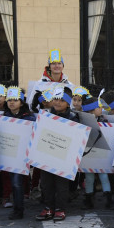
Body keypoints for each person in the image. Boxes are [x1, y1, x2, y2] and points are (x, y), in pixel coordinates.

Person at [35, 87, 78, 221]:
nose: (57, 102)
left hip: (64, 157)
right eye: (55, 99)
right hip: (47, 155)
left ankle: (60, 208)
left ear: (68, 102)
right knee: (46, 183)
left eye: (61, 100)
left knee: (61, 184)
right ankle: (48, 207)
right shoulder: (46, 115)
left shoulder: (73, 117)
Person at [2, 87, 36, 219]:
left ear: (21, 102)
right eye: (9, 100)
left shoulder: (29, 117)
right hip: (10, 154)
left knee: (17, 182)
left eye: (15, 100)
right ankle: (17, 205)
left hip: (22, 155)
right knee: (14, 181)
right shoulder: (4, 116)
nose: (12, 102)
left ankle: (19, 209)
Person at [81, 93, 114, 210]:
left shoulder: (104, 121)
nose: (101, 109)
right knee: (89, 178)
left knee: (104, 176)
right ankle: (88, 200)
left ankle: (108, 200)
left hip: (101, 155)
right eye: (99, 107)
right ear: (92, 110)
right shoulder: (82, 121)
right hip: (88, 156)